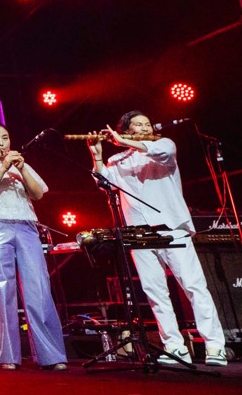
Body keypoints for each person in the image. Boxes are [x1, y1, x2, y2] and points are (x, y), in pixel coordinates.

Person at [89, 111, 227, 367]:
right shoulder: (117, 159)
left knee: (193, 286)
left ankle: (215, 345)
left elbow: (159, 152)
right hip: (139, 231)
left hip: (172, 227)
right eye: (138, 125)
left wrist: (122, 141)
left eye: (147, 124)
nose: (145, 128)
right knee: (155, 291)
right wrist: (97, 156)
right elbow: (105, 185)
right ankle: (174, 346)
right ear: (126, 130)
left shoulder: (164, 145)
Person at [0, 125, 67, 370]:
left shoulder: (21, 165)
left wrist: (21, 168)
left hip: (26, 226)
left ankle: (51, 356)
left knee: (38, 287)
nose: (1, 142)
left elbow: (38, 194)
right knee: (0, 287)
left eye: (5, 137)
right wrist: (3, 168)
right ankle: (6, 356)